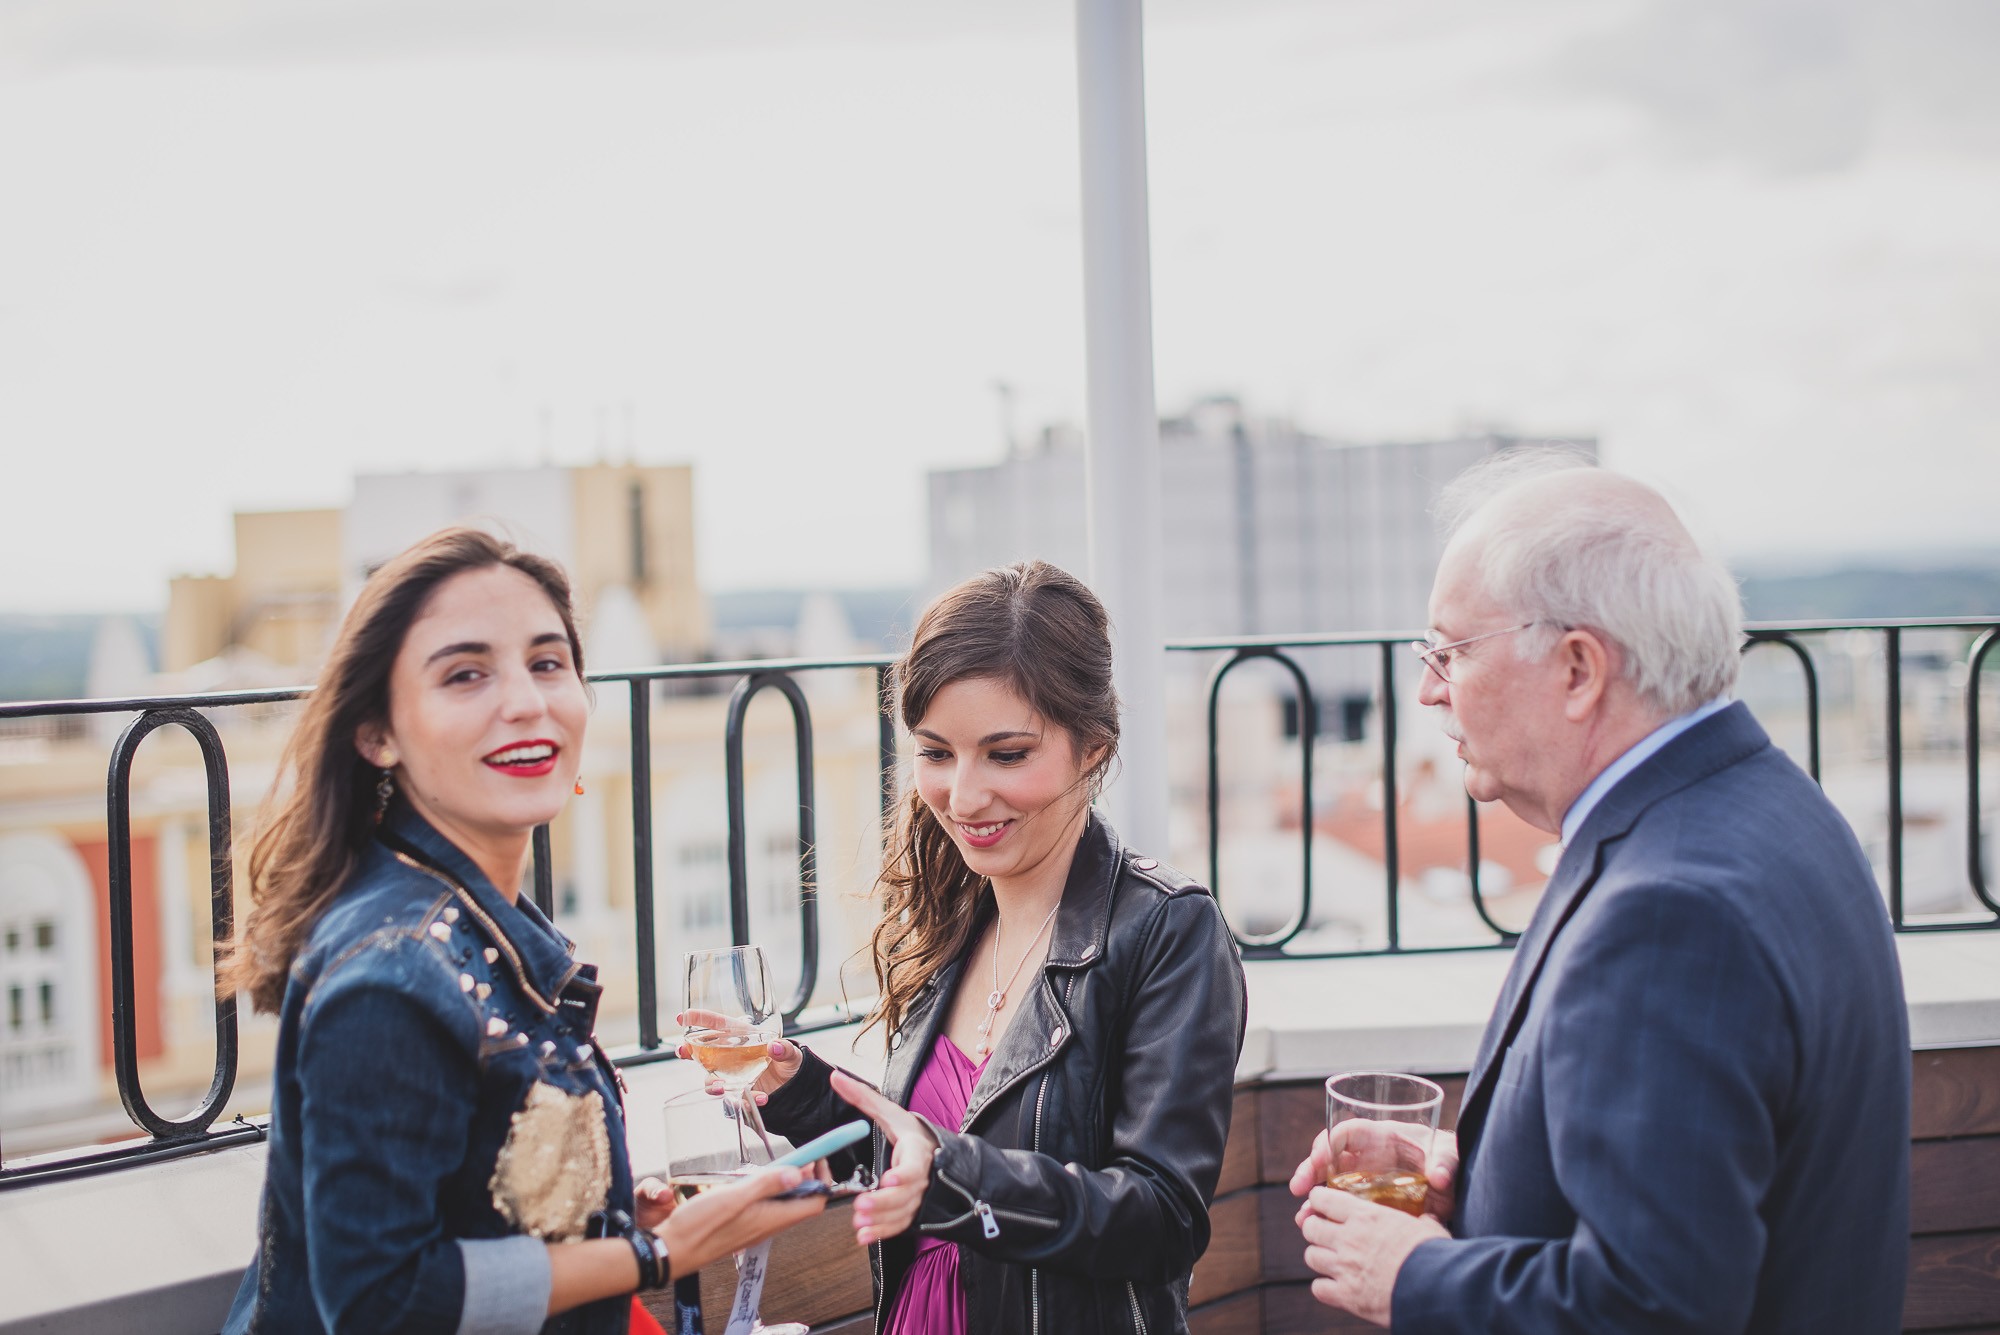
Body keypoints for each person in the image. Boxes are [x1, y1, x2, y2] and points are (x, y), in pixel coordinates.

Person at [1289, 452, 1911, 1332]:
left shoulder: (1671, 913)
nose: (1429, 688)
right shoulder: (1776, 807)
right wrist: (1493, 1174)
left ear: (1579, 669)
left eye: (1450, 650)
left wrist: (1413, 1274)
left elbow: (1656, 1307)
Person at [221, 527, 825, 1335]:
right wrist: (658, 1256)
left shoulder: (482, 927)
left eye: (548, 663)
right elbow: (382, 1300)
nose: (526, 701)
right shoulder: (391, 975)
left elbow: (465, 1204)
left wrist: (604, 1220)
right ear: (376, 733)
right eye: (466, 673)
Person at [736, 560, 1247, 1335]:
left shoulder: (1168, 929)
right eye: (936, 752)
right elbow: (918, 1157)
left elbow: (1162, 1216)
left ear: (1092, 748)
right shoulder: (954, 916)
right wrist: (804, 1089)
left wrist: (951, 1175)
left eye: (1006, 754)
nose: (964, 796)